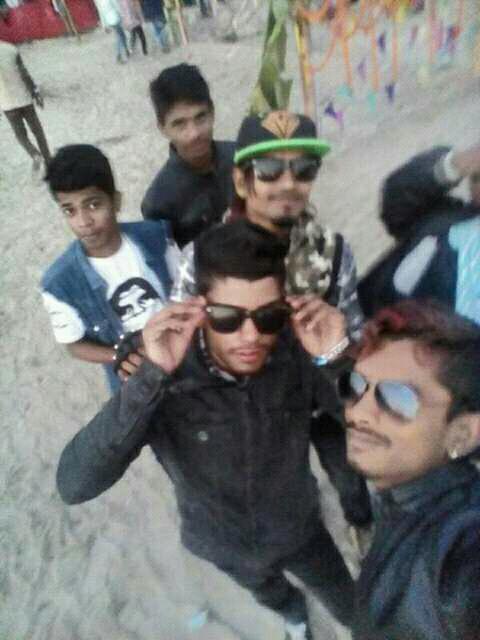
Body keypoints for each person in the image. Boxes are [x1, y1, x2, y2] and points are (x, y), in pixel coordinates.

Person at [56, 220, 356, 640]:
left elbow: (379, 433)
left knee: (352, 606)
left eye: (269, 316)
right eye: (228, 317)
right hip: (219, 540)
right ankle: (294, 616)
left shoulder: (297, 353)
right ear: (199, 308)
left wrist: (337, 359)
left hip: (300, 529)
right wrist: (151, 376)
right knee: (271, 595)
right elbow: (74, 483)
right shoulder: (165, 375)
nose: (251, 336)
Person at [171, 109, 371, 530]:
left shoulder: (333, 252)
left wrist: (334, 344)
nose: (288, 183)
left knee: (352, 478)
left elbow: (354, 339)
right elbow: (184, 339)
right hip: (254, 413)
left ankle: (360, 527)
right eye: (268, 170)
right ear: (241, 180)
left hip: (321, 401)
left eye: (304, 169)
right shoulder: (205, 257)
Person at [341, 301, 480, 639]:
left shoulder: (460, 548)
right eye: (356, 385)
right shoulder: (405, 487)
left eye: (397, 398)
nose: (358, 412)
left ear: (462, 434)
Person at [40, 145, 178, 392]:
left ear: (116, 201)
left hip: (181, 354)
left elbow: (184, 289)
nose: (83, 222)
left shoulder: (157, 237)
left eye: (93, 205)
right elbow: (74, 345)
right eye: (70, 210)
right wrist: (120, 356)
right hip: (133, 384)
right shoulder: (60, 284)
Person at [358, 143, 480, 322]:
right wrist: (455, 165)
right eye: (476, 177)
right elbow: (396, 202)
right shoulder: (448, 217)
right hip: (354, 318)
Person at [141, 63, 235, 248]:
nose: (194, 134)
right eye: (179, 124)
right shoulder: (158, 203)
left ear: (212, 113)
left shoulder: (241, 157)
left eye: (201, 117)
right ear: (162, 128)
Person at [0, 39, 50, 171]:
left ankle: (34, 154)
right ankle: (49, 161)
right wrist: (35, 93)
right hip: (24, 98)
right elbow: (24, 74)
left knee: (20, 136)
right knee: (38, 132)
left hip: (6, 103)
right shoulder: (10, 49)